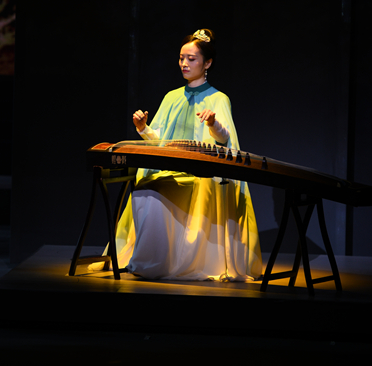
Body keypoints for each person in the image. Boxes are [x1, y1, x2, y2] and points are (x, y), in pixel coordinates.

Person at [112, 29, 262, 281]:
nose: (184, 63)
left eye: (191, 59)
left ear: (207, 63)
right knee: (145, 190)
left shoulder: (218, 99)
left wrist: (213, 123)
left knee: (177, 189)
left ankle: (181, 263)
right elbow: (161, 143)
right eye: (182, 58)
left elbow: (225, 140)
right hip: (171, 172)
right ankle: (154, 262)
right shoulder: (172, 97)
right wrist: (144, 128)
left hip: (200, 175)